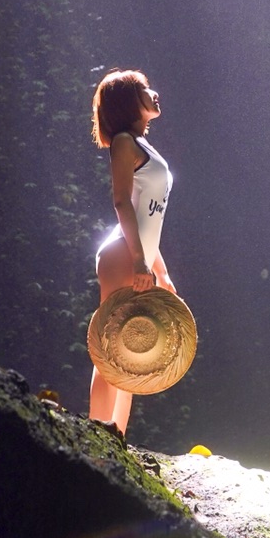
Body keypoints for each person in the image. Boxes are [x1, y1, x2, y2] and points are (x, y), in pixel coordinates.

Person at [88, 68, 176, 436]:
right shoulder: (124, 142)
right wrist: (140, 260)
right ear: (129, 100)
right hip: (123, 253)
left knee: (130, 354)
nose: (154, 93)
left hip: (139, 251)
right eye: (144, 89)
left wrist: (162, 271)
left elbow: (149, 217)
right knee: (111, 348)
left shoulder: (143, 146)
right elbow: (122, 202)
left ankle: (116, 437)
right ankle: (96, 432)